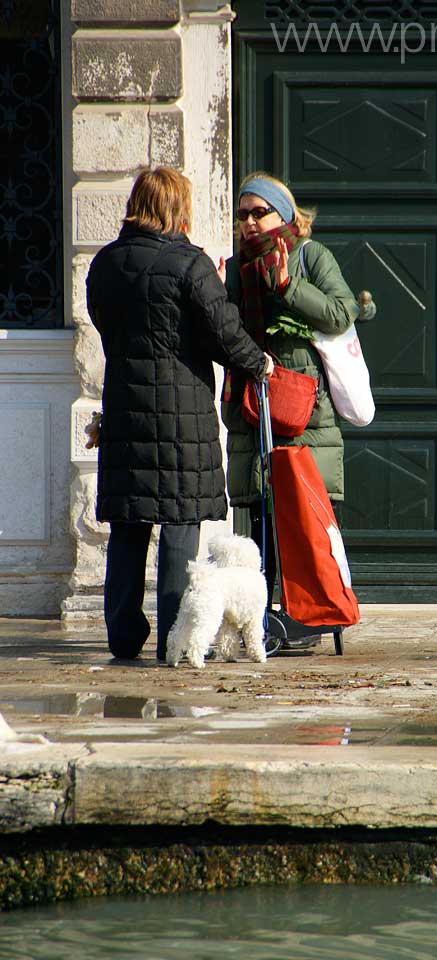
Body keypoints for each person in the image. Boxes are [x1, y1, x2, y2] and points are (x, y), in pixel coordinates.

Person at [86, 166, 273, 662]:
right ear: (176, 207)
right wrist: (260, 363)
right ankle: (175, 636)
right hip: (181, 414)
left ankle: (123, 638)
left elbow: (106, 330)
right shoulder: (190, 265)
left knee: (128, 524)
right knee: (180, 524)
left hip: (126, 409)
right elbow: (223, 332)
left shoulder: (104, 264)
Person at [222, 171, 359, 607]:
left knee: (305, 519)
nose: (248, 222)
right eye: (242, 214)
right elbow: (226, 332)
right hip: (255, 404)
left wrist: (287, 286)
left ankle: (312, 611)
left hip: (304, 412)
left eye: (258, 212)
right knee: (261, 520)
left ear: (283, 214)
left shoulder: (309, 256)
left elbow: (341, 313)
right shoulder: (237, 267)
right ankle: (263, 618)